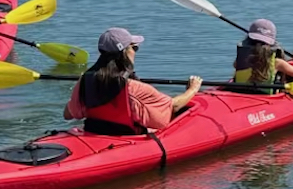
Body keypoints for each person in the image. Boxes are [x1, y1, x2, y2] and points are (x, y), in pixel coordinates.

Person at [63, 28, 202, 135]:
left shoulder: (85, 80)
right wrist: (193, 89)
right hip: (126, 137)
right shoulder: (133, 88)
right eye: (134, 47)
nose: (135, 51)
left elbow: (68, 114)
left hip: (95, 133)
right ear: (124, 53)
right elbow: (172, 107)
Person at [233, 19, 293, 92]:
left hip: (240, 93)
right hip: (264, 97)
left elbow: (236, 66)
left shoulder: (241, 59)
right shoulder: (278, 63)